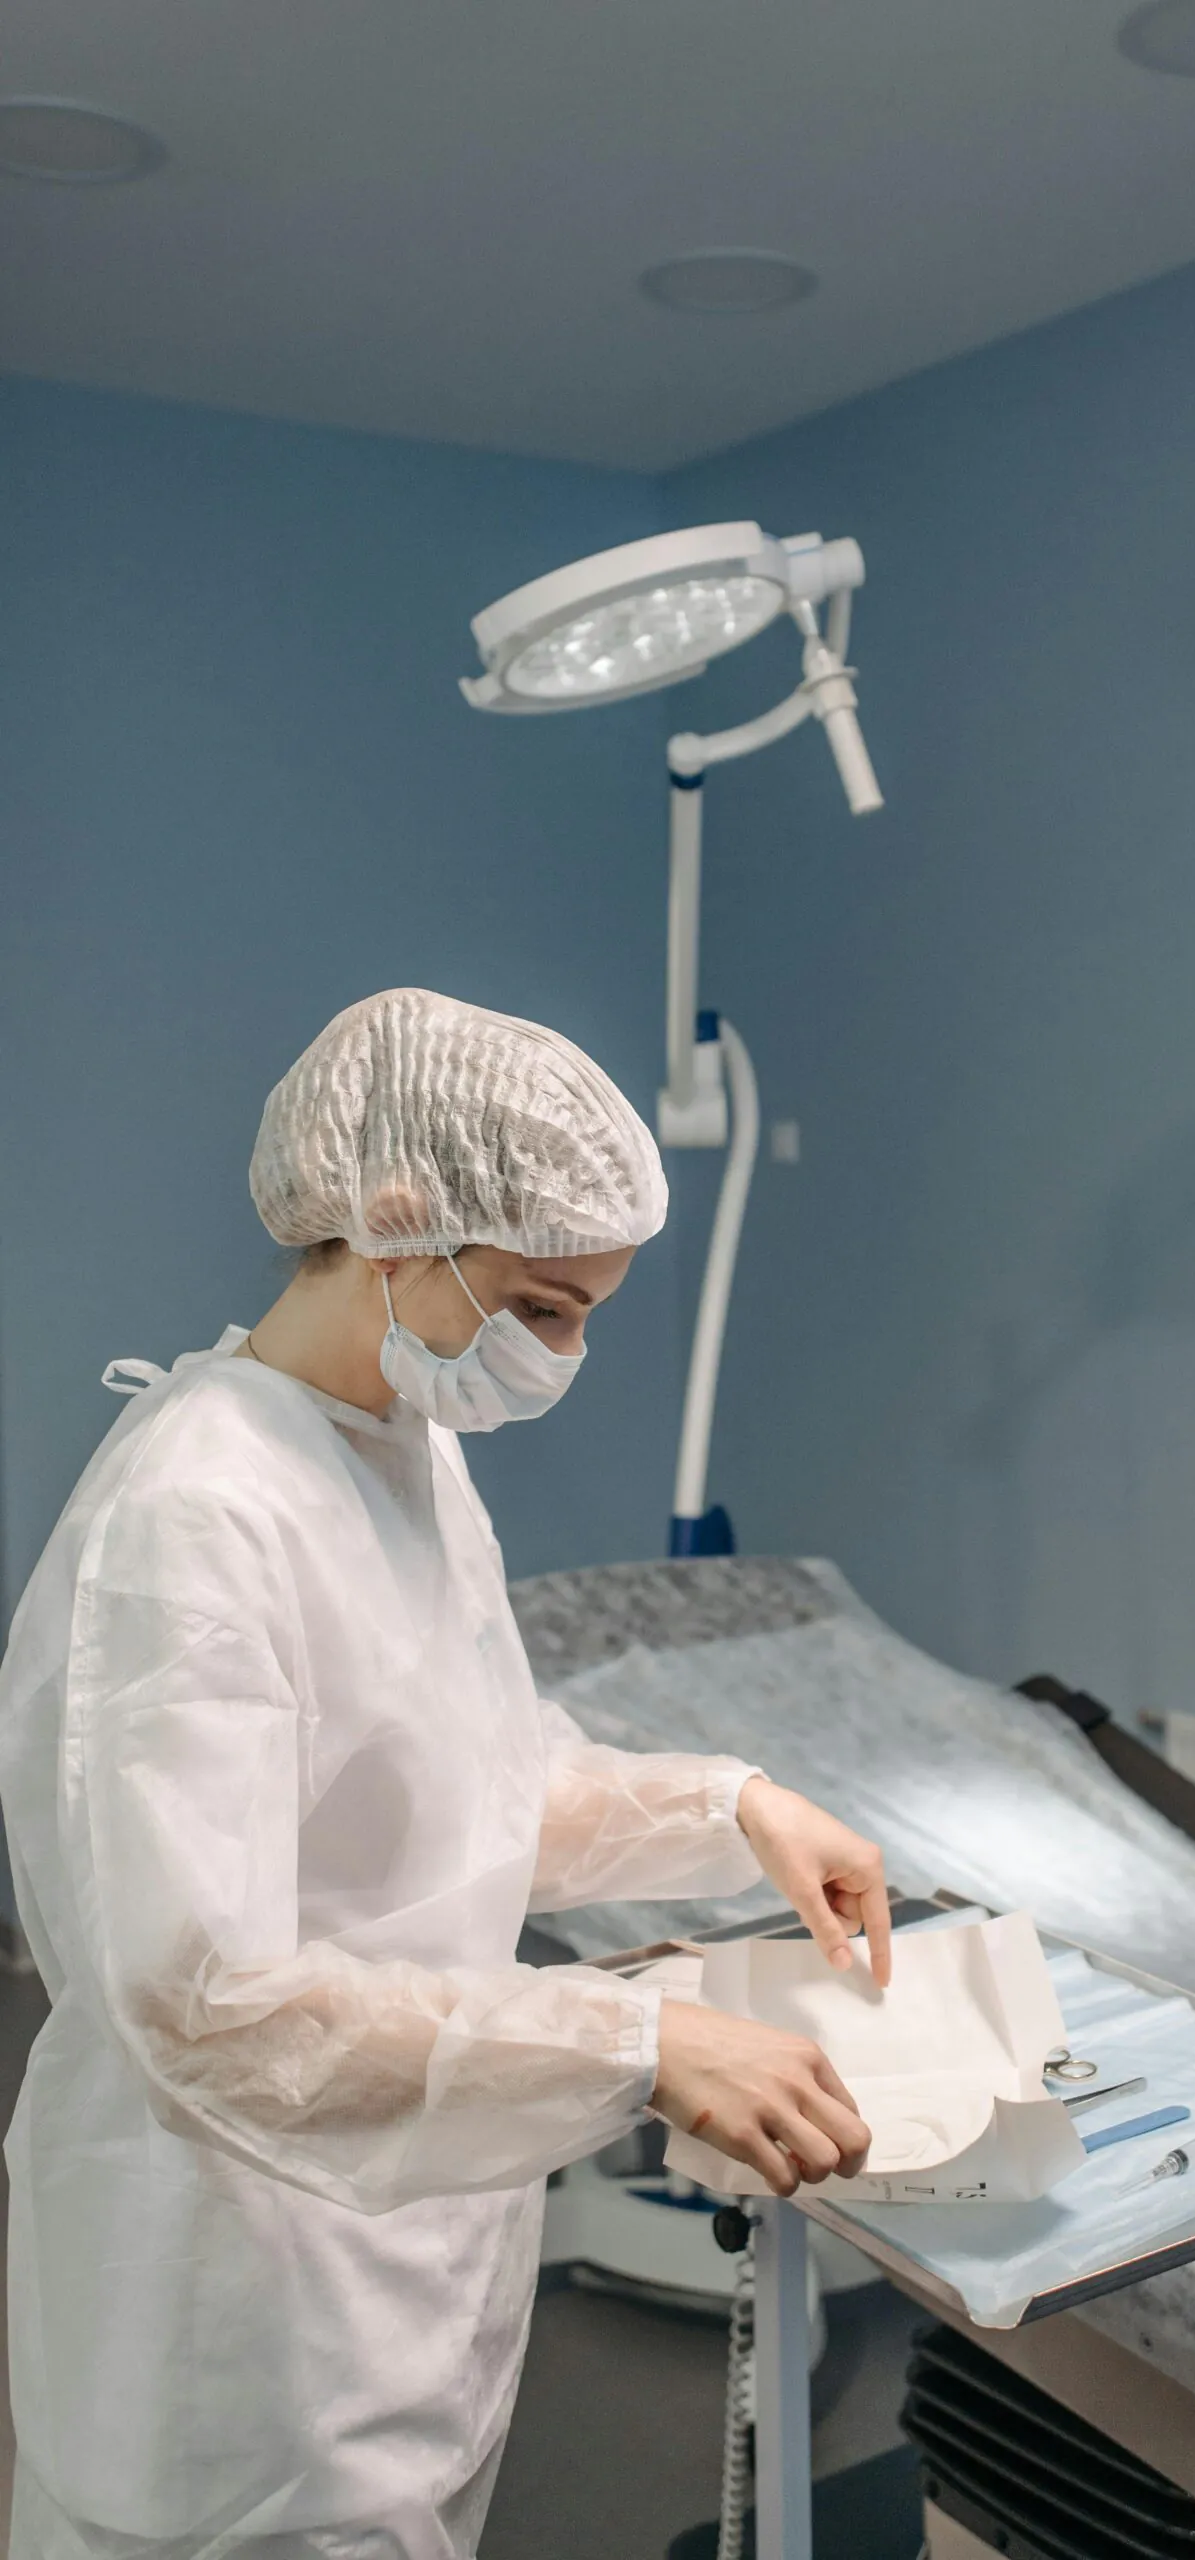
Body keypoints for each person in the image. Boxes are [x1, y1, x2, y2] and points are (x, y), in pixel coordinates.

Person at [0, 987, 891, 2560]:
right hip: (237, 2309)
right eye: (546, 1307)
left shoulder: (404, 1447)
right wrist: (634, 2042)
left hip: (406, 2253)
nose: (568, 1350)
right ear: (397, 1227)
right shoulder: (198, 1515)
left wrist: (730, 1808)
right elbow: (207, 2007)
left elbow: (459, 1793)